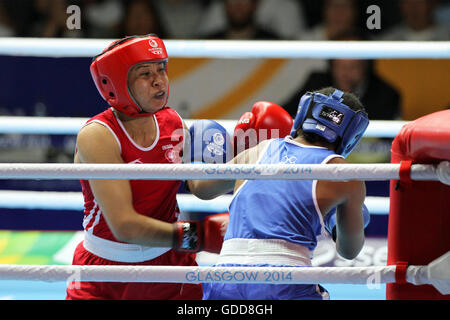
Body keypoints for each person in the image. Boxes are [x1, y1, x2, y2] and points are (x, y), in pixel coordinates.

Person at [66, 34, 230, 300]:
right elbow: (125, 226)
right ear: (116, 83)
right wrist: (198, 237)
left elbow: (200, 187)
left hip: (169, 263)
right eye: (145, 73)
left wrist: (243, 168)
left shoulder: (172, 121)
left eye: (161, 69)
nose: (158, 80)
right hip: (105, 272)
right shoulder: (98, 135)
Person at [195, 87, 371, 300]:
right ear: (352, 134)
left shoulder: (259, 150)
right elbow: (349, 251)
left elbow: (201, 187)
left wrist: (198, 153)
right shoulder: (344, 173)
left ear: (304, 112)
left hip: (225, 277)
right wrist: (343, 222)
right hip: (284, 279)